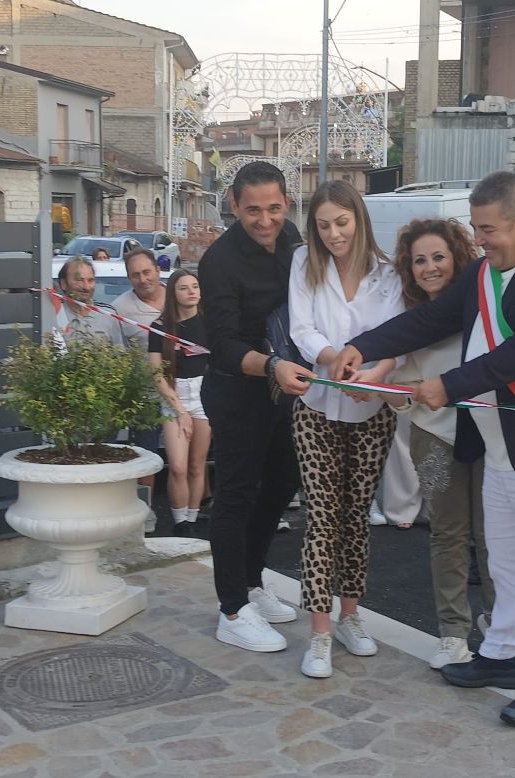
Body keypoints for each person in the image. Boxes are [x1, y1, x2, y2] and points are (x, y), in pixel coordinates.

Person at [332, 171, 515, 728]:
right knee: (504, 560)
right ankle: (504, 651)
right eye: (476, 229)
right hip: (499, 445)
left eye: (488, 230)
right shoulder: (483, 273)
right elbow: (429, 319)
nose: (479, 241)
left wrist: (447, 386)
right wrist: (361, 346)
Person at [288, 180, 403, 679]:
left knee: (356, 516)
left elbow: (398, 336)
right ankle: (318, 632)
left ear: (359, 219)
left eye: (341, 222)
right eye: (323, 225)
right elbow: (302, 329)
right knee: (322, 517)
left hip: (371, 409)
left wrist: (374, 376)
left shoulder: (389, 273)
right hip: (316, 405)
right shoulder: (304, 264)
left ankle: (350, 616)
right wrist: (337, 362)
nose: (333, 234)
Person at [198, 161, 314, 654]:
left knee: (283, 484)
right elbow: (222, 345)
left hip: (283, 387)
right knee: (235, 496)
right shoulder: (218, 261)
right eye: (252, 211)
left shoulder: (292, 238)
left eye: (273, 208)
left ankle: (250, 581)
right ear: (233, 205)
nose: (265, 220)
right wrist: (271, 366)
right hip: (236, 390)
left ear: (286, 202)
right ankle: (231, 609)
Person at [385, 217, 495, 668]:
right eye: (419, 261)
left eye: (438, 257)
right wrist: (403, 394)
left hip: (489, 436)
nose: (429, 267)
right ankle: (453, 631)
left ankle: (500, 625)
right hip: (432, 439)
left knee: (492, 535)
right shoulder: (407, 320)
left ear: (457, 258)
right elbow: (396, 391)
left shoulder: (483, 308)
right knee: (447, 533)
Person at [147, 270, 211, 536]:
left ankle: (192, 520)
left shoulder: (210, 322)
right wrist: (180, 410)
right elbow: (156, 374)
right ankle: (179, 521)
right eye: (184, 288)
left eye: (195, 286)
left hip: (204, 394)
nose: (191, 292)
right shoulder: (160, 327)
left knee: (197, 465)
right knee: (177, 466)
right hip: (174, 396)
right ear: (173, 293)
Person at [115, 248, 168, 509]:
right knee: (146, 456)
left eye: (147, 272)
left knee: (193, 458)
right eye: (135, 275)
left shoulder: (180, 294)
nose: (143, 279)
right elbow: (119, 355)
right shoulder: (119, 308)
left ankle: (196, 510)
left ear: (158, 270)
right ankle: (144, 512)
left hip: (187, 390)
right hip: (146, 396)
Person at [53, 256, 126, 346]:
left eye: (90, 280)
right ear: (63, 283)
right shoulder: (54, 314)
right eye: (79, 280)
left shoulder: (108, 314)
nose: (86, 287)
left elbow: (120, 352)